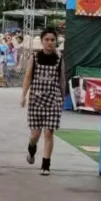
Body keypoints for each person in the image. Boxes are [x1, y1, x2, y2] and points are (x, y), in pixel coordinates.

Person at [22, 28, 65, 175]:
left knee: (48, 132)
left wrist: (63, 97)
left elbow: (62, 80)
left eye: (52, 40)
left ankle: (46, 165)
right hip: (36, 100)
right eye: (47, 39)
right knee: (35, 134)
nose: (49, 42)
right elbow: (28, 77)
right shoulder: (34, 58)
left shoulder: (59, 59)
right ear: (42, 41)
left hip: (53, 100)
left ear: (56, 42)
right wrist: (23, 95)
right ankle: (31, 148)